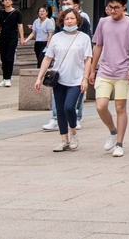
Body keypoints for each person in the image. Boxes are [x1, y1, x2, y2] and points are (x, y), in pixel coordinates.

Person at [34, 8, 93, 152]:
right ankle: (64, 140)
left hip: (76, 79)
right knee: (60, 110)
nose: (69, 21)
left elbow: (88, 59)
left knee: (69, 107)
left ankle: (73, 132)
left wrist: (85, 79)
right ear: (62, 21)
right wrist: (39, 77)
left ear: (78, 20)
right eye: (66, 19)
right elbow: (48, 58)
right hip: (59, 78)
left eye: (72, 18)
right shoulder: (56, 37)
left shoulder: (83, 38)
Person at [90, 0, 129, 158]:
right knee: (101, 105)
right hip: (104, 69)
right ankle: (113, 131)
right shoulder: (103, 22)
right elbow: (98, 46)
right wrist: (92, 69)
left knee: (120, 107)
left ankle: (119, 143)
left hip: (123, 70)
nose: (113, 11)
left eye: (116, 8)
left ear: (124, 6)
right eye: (110, 7)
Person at [0, 0, 24, 88]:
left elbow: (20, 26)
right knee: (3, 58)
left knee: (9, 57)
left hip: (12, 37)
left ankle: (8, 78)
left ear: (12, 2)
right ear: (3, 3)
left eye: (9, 0)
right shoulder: (1, 13)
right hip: (3, 37)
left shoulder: (17, 13)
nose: (7, 1)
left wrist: (21, 38)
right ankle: (4, 78)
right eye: (5, 0)